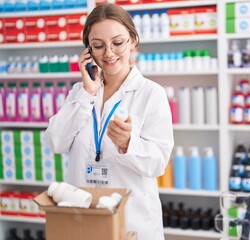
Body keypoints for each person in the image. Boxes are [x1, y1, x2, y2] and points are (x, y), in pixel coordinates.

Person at [45, 3, 174, 240]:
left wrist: (127, 143)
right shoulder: (79, 93)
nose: (109, 53)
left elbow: (157, 164)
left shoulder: (151, 94)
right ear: (88, 50)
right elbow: (55, 142)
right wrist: (87, 93)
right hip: (84, 220)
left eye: (117, 43)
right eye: (98, 46)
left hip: (132, 223)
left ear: (133, 40)